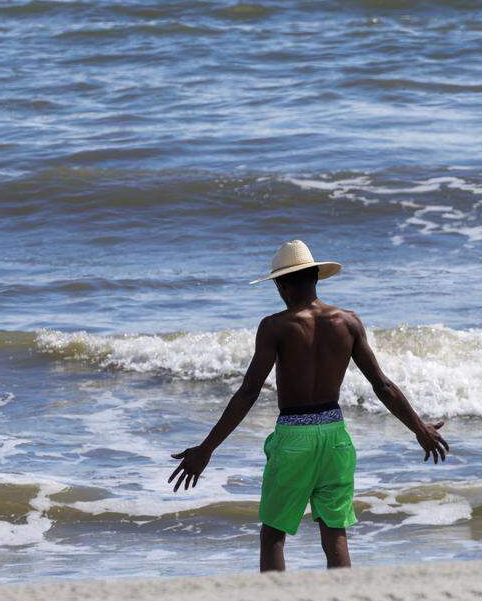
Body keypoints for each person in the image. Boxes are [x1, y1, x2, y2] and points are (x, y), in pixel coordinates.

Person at [168, 240, 449, 572]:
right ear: (316, 276)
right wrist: (420, 429)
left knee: (273, 534)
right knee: (335, 532)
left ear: (282, 284)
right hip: (335, 437)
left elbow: (248, 392)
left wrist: (207, 448)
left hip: (294, 439)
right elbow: (382, 385)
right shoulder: (349, 322)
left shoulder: (275, 326)